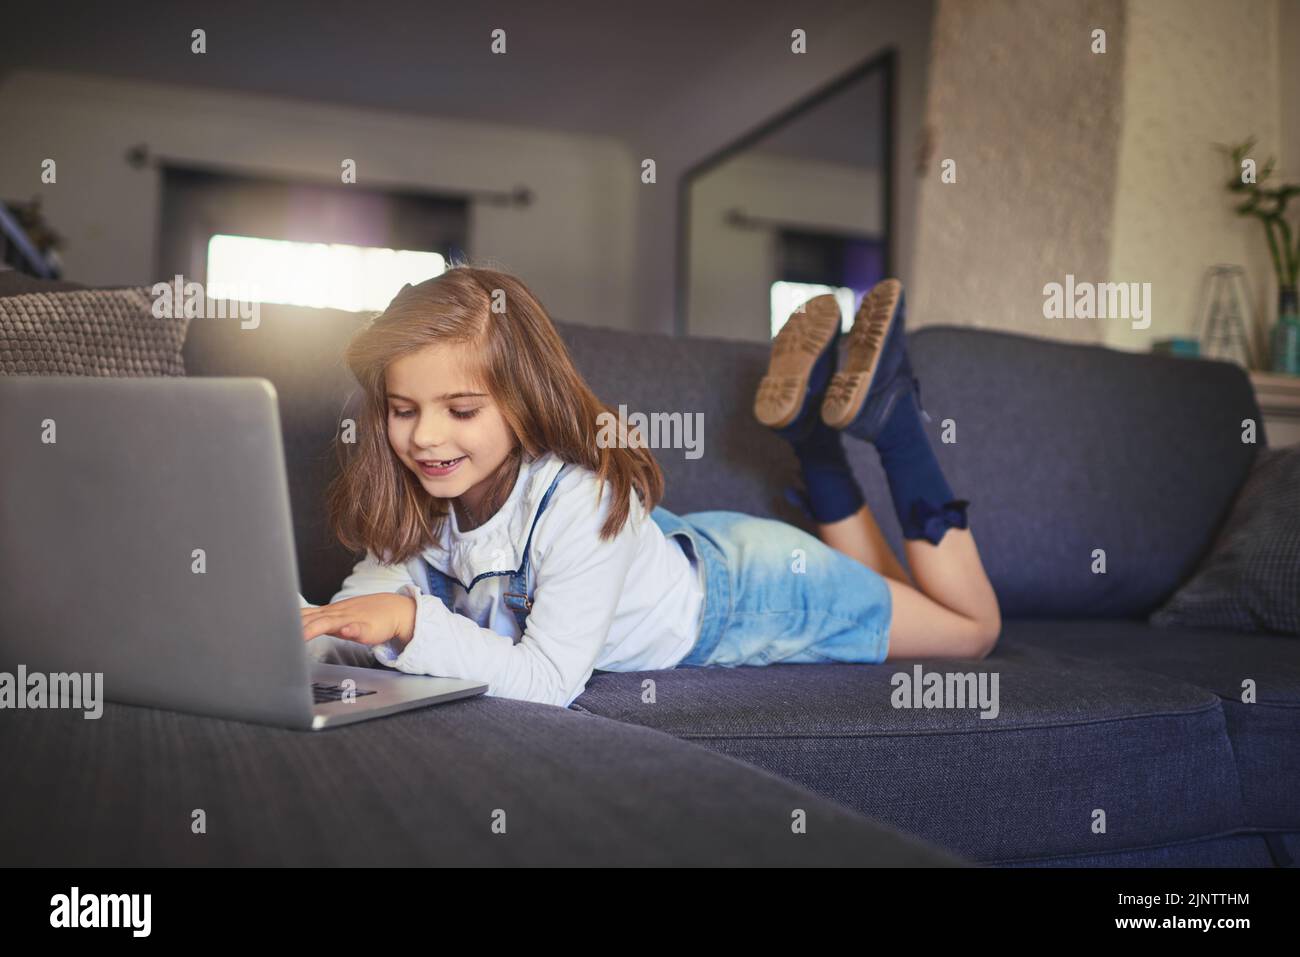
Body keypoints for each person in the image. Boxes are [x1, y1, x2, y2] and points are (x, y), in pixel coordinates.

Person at [300, 266, 1001, 708]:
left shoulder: (580, 495)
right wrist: (300, 634)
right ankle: (815, 443)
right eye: (402, 410)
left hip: (762, 593)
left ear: (525, 401)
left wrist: (413, 621)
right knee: (883, 585)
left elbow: (547, 682)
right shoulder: (423, 492)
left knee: (970, 632)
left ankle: (897, 422)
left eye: (460, 410)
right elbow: (363, 608)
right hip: (700, 544)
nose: (425, 437)